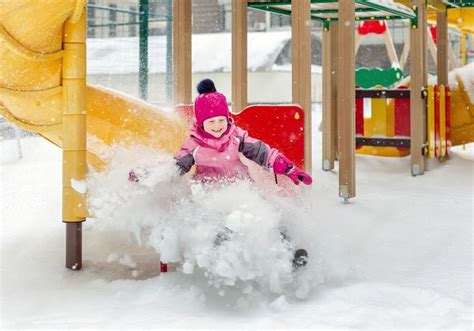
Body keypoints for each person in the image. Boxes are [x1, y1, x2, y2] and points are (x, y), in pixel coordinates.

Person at [130, 79, 312, 269]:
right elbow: (175, 167)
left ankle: (288, 252)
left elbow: (262, 152)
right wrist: (148, 175)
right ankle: (221, 253)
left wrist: (288, 168)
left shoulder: (236, 136)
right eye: (211, 121)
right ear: (201, 123)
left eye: (221, 120)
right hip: (210, 192)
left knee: (269, 212)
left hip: (241, 187)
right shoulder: (193, 145)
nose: (217, 125)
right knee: (217, 218)